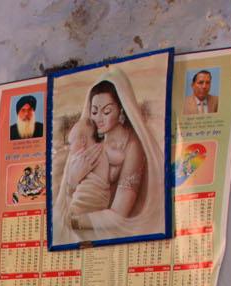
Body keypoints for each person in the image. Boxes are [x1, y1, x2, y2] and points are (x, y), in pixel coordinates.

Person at [56, 67, 166, 241]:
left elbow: (119, 214)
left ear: (121, 110)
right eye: (94, 112)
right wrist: (72, 182)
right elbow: (70, 194)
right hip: (86, 215)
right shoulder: (91, 139)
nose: (99, 118)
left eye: (106, 112)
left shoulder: (132, 146)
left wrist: (76, 221)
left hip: (113, 227)